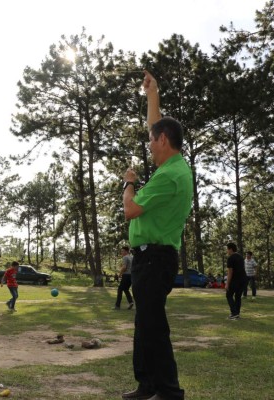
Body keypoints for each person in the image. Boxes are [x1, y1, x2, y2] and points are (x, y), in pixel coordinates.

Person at [121, 70, 192, 400]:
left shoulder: (168, 176)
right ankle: (147, 384)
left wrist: (129, 183)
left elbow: (131, 210)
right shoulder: (173, 167)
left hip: (155, 258)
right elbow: (157, 124)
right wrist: (153, 96)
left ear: (164, 141)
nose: (149, 143)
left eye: (152, 139)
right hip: (149, 258)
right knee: (145, 323)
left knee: (153, 325)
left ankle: (169, 391)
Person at [226, 243, 247, 320]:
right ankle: (237, 314)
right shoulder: (241, 257)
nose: (227, 251)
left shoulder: (231, 258)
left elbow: (230, 272)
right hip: (243, 279)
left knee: (229, 295)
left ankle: (234, 313)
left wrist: (227, 283)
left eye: (227, 249)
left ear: (231, 249)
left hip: (235, 280)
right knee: (238, 297)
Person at [114, 246, 134, 310]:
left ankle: (117, 306)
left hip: (126, 275)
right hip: (132, 275)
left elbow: (124, 267)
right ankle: (131, 302)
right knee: (126, 289)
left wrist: (120, 274)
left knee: (120, 289)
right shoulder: (132, 257)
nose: (121, 252)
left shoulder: (125, 257)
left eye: (123, 251)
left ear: (127, 251)